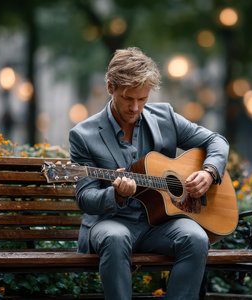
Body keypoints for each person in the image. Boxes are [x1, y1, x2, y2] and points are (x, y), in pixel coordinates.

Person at [69, 47, 229, 300]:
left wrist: (209, 172)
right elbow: (85, 197)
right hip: (112, 222)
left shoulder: (164, 116)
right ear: (110, 87)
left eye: (142, 99)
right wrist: (116, 196)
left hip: (160, 223)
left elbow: (216, 141)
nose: (135, 107)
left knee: (196, 238)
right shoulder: (83, 135)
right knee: (115, 237)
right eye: (127, 98)